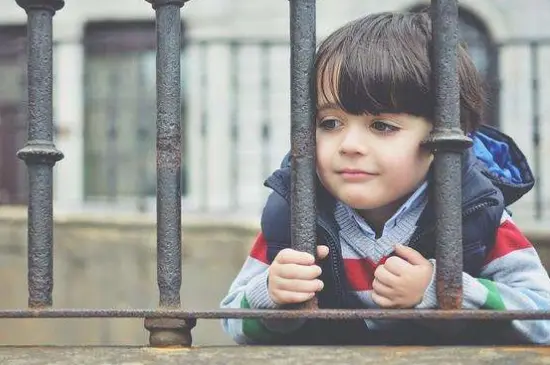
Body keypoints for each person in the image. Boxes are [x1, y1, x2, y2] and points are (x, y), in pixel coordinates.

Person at [220, 11, 550, 345]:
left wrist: (444, 291)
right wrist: (269, 296)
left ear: (445, 137)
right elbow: (232, 319)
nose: (349, 146)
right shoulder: (294, 212)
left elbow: (543, 319)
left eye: (382, 126)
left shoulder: (477, 212)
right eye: (330, 123)